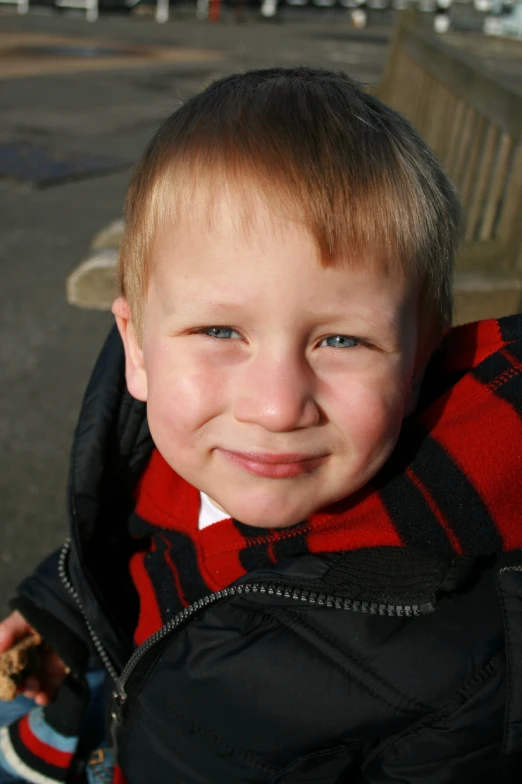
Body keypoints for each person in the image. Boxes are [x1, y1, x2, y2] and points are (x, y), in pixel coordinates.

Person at [0, 67, 521, 784]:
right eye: (220, 330)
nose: (276, 409)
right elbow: (139, 531)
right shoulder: (166, 446)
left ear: (419, 365)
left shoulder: (458, 658)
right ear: (139, 351)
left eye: (342, 341)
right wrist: (61, 614)